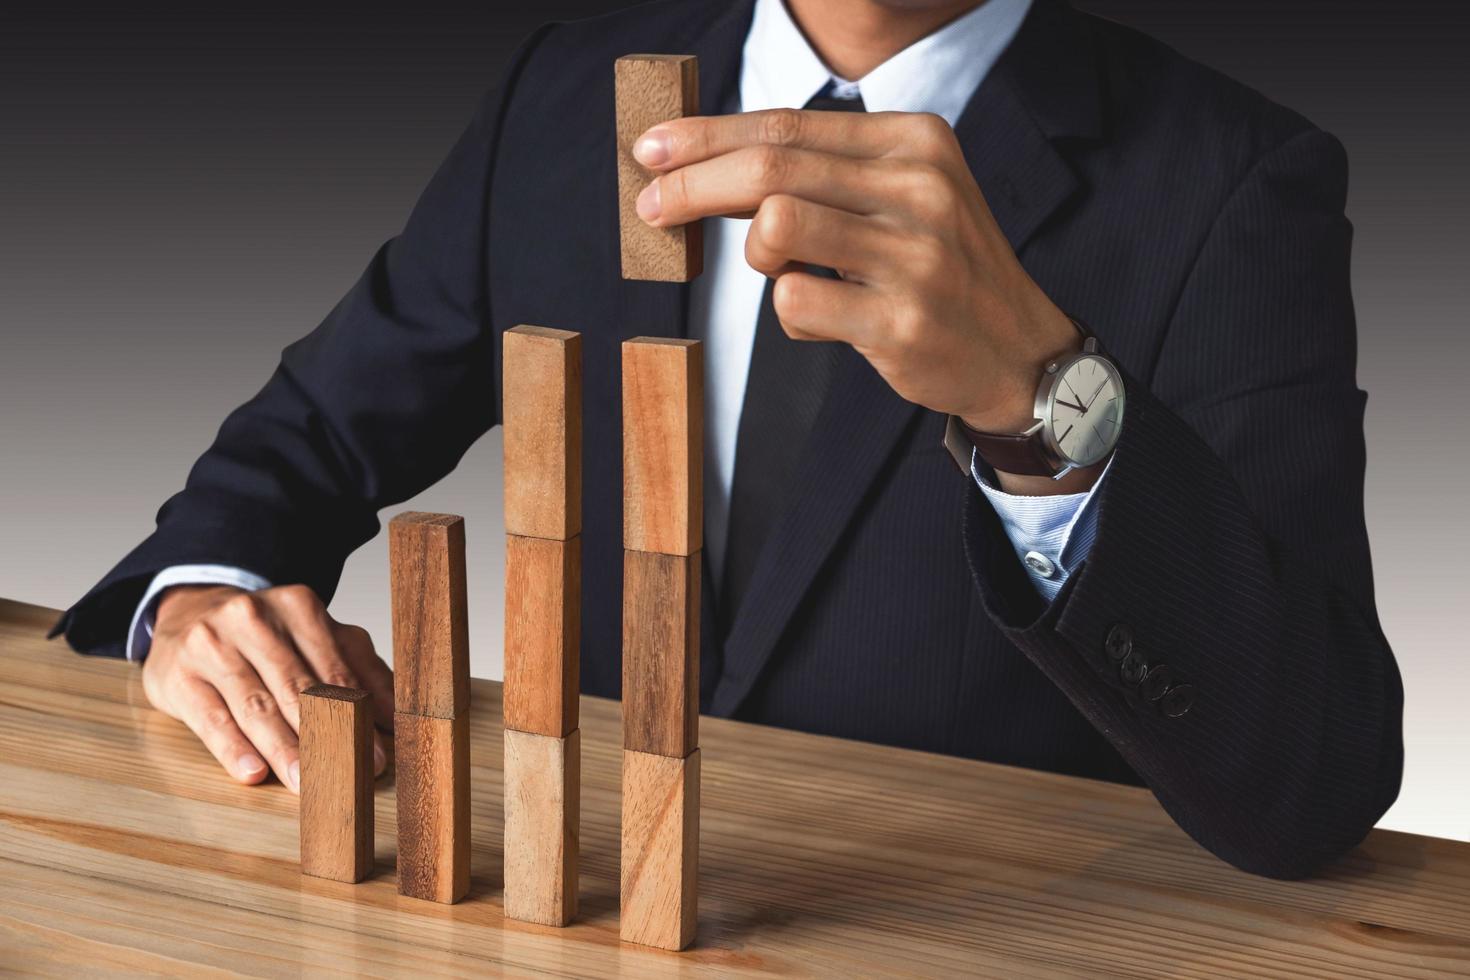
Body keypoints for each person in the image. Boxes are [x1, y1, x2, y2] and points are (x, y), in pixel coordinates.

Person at [55, 0, 1403, 879]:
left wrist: (1044, 397)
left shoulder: (1232, 177)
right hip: (558, 904)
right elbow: (306, 439)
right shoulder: (570, 86)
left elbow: (1313, 778)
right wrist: (201, 600)